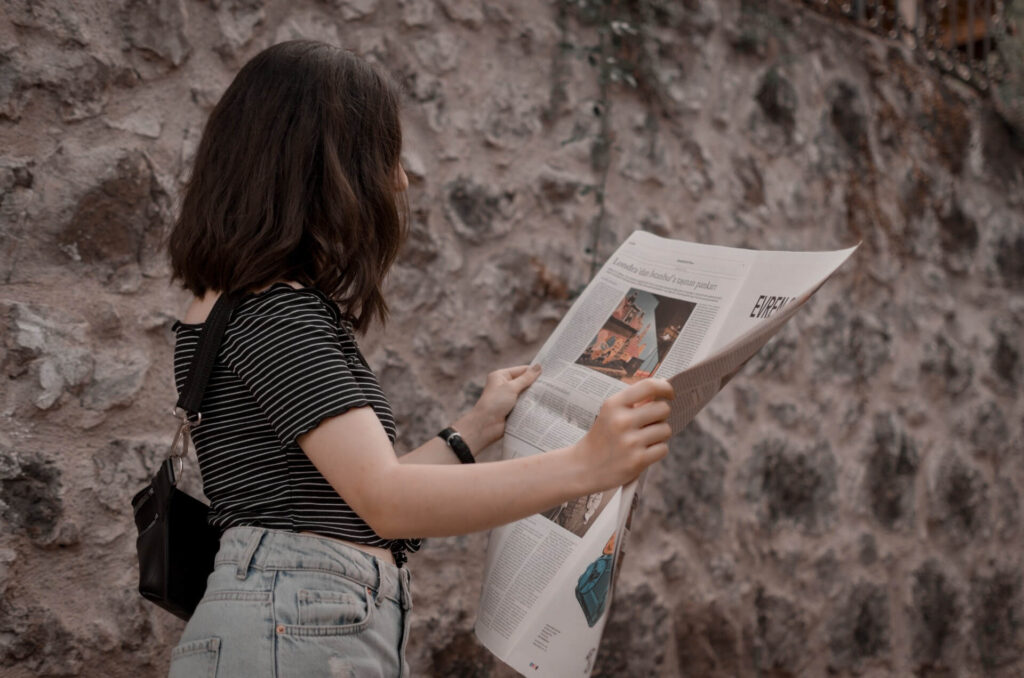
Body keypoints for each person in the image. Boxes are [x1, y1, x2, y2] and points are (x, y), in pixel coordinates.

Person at [165, 40, 674, 678]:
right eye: (383, 154)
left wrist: (475, 428)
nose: (400, 178)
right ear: (324, 165)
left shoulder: (236, 305)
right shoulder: (276, 314)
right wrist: (587, 466)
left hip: (291, 618)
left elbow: (349, 494)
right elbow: (387, 501)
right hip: (294, 626)